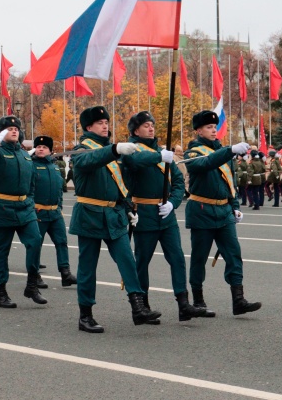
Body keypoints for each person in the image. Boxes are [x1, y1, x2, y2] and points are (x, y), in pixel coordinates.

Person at [69, 106, 161, 333]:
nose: (105, 126)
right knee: (88, 267)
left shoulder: (110, 151)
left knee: (127, 260)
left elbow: (118, 184)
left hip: (114, 214)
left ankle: (138, 307)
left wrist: (127, 205)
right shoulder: (82, 150)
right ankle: (85, 315)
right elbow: (87, 162)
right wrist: (114, 149)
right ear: (89, 127)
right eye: (100, 123)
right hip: (90, 214)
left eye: (106, 122)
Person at [121, 111, 207, 323]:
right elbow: (134, 162)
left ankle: (183, 304)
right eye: (146, 125)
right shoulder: (132, 149)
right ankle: (143, 306)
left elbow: (178, 182)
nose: (151, 128)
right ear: (135, 130)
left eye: (152, 124)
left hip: (165, 215)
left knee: (177, 259)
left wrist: (172, 203)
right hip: (143, 214)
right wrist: (158, 156)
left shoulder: (163, 153)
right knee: (142, 262)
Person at [184, 110, 261, 318]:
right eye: (208, 127)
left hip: (224, 211)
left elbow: (231, 181)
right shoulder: (192, 152)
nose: (213, 130)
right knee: (199, 259)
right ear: (198, 130)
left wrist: (235, 205)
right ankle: (198, 301)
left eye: (214, 127)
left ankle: (238, 300)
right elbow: (205, 164)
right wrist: (229, 151)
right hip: (202, 210)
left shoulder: (223, 151)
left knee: (234, 255)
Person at [0, 116, 46, 308]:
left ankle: (32, 285)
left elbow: (31, 183)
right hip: (2, 208)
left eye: (16, 128)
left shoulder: (24, 155)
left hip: (24, 208)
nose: (13, 130)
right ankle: (1, 293)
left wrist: (30, 200)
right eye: (8, 128)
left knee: (35, 242)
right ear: (1, 132)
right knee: (1, 251)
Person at [31, 135, 77, 287]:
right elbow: (27, 189)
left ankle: (65, 273)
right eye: (38, 147)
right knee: (36, 244)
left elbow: (59, 188)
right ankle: (34, 275)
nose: (41, 149)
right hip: (38, 212)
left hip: (55, 213)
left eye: (44, 147)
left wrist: (60, 205)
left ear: (50, 151)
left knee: (62, 242)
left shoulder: (55, 166)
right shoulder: (30, 165)